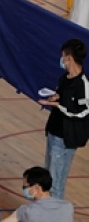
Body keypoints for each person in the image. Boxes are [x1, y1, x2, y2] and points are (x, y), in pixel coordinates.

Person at [40, 39, 89, 200]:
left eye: (63, 56)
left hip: (66, 138)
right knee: (48, 177)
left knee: (57, 182)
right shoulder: (64, 78)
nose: (61, 60)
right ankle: (47, 209)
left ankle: (56, 212)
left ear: (69, 58)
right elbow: (64, 99)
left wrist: (59, 106)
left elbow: (84, 112)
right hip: (54, 132)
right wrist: (56, 97)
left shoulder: (83, 85)